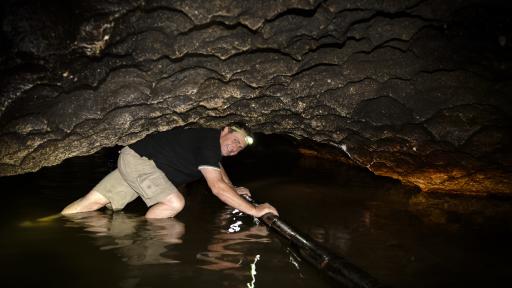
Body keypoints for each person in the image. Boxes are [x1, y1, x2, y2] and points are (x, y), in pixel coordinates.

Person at [61, 123, 278, 219]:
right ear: (224, 130)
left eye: (240, 147)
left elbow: (217, 169)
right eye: (235, 140)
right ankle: (149, 246)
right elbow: (217, 188)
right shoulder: (209, 141)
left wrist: (233, 188)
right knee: (174, 203)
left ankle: (59, 222)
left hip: (136, 160)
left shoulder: (208, 146)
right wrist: (254, 210)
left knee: (92, 203)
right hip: (142, 162)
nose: (235, 148)